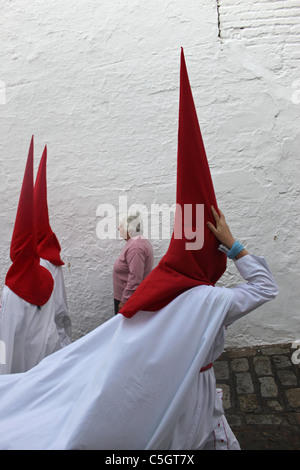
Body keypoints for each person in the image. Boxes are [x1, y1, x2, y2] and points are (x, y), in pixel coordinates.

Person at [113, 211, 154, 314]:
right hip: (128, 298)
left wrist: (125, 301)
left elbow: (135, 278)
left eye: (121, 226)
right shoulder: (135, 243)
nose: (118, 229)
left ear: (129, 229)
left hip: (129, 300)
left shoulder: (136, 247)